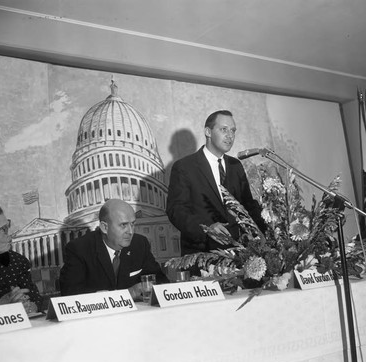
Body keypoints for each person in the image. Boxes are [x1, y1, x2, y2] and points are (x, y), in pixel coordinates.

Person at [166, 110, 265, 256]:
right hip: (202, 252)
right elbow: (176, 210)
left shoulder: (235, 165)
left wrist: (268, 229)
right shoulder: (184, 167)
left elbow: (248, 205)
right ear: (208, 132)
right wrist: (207, 228)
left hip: (240, 254)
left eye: (233, 131)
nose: (230, 136)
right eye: (224, 129)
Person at [59, 199, 169, 297]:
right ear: (104, 227)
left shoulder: (139, 244)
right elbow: (70, 294)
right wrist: (128, 294)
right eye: (123, 225)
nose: (130, 231)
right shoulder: (79, 249)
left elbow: (161, 282)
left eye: (133, 224)